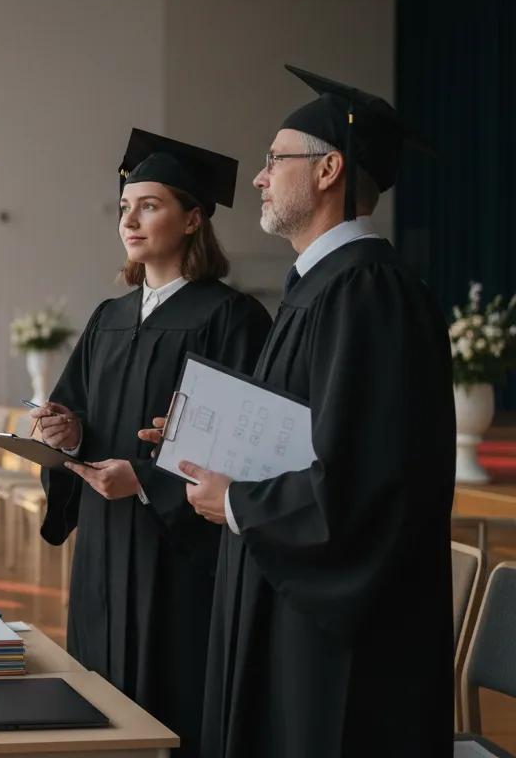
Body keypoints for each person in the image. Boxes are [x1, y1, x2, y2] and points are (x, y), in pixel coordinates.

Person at [146, 66, 453, 757]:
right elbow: (306, 439)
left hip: (340, 651)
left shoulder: (369, 292)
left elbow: (367, 483)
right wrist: (211, 446)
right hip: (286, 608)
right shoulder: (324, 289)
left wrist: (239, 504)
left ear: (329, 169)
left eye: (273, 159)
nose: (258, 178)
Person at [29, 129, 271, 758]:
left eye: (149, 205)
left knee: (172, 704)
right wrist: (67, 431)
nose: (129, 220)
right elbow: (76, 409)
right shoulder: (107, 317)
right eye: (123, 208)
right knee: (97, 702)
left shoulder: (231, 318)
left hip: (180, 552)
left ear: (193, 219)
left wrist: (146, 479)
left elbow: (249, 446)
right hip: (105, 548)